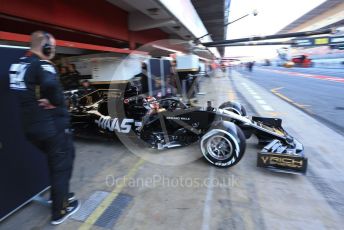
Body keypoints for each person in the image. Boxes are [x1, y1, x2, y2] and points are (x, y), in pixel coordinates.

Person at [9, 31, 80, 225]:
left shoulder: (18, 64)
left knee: (57, 160)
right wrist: (55, 101)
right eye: (53, 47)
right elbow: (50, 84)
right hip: (50, 127)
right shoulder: (43, 65)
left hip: (30, 128)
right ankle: (61, 210)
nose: (54, 51)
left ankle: (58, 194)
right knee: (62, 165)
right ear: (45, 47)